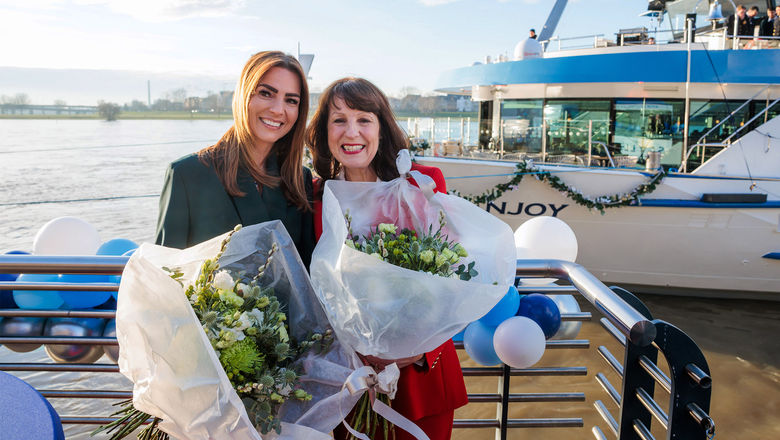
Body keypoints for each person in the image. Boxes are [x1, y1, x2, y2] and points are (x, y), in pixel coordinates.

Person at [306, 77, 468, 440]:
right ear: (324, 132)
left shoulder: (421, 183)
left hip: (420, 376)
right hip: (350, 381)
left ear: (381, 126)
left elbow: (452, 276)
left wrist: (417, 347)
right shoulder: (318, 198)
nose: (352, 132)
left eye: (364, 119)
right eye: (339, 120)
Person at [155, 51, 315, 267]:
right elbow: (164, 274)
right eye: (266, 93)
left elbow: (306, 271)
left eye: (291, 100)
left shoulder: (300, 180)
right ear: (243, 95)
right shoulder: (187, 175)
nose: (278, 109)